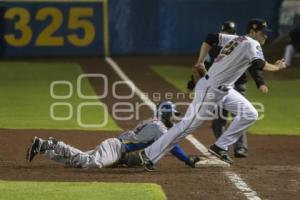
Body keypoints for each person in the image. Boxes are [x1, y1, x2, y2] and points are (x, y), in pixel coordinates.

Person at [134, 18, 285, 171]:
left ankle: (220, 146)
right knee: (187, 126)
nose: (265, 36)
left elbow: (211, 38)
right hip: (210, 89)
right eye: (263, 33)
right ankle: (149, 154)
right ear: (253, 32)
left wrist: (200, 61)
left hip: (224, 90)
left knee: (250, 113)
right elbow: (259, 65)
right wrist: (277, 67)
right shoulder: (253, 43)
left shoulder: (236, 39)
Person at [26, 101, 200, 169]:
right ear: (165, 114)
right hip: (116, 148)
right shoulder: (160, 128)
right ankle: (53, 144)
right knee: (90, 163)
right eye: (173, 114)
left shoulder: (154, 123)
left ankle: (44, 146)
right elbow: (173, 146)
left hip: (116, 148)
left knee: (76, 162)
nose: (174, 118)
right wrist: (187, 160)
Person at [188, 21, 268, 158]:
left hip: (237, 85)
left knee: (243, 114)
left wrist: (260, 82)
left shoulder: (241, 43)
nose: (227, 34)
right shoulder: (217, 47)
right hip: (218, 86)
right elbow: (203, 65)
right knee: (220, 119)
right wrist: (192, 82)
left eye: (230, 32)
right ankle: (220, 147)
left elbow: (254, 66)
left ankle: (239, 148)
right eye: (225, 32)